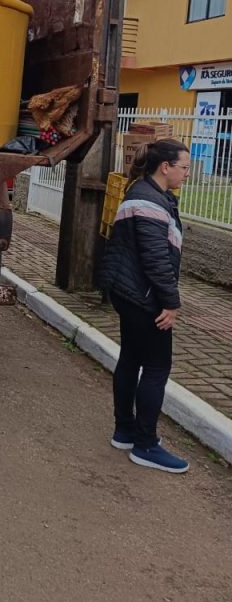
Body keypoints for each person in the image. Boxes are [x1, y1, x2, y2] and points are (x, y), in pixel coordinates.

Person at [99, 138, 192, 474]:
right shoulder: (150, 200)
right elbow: (155, 259)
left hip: (129, 291)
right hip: (144, 295)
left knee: (131, 359)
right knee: (156, 366)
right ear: (165, 167)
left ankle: (124, 430)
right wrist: (171, 302)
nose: (187, 174)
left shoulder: (145, 193)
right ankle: (146, 444)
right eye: (184, 167)